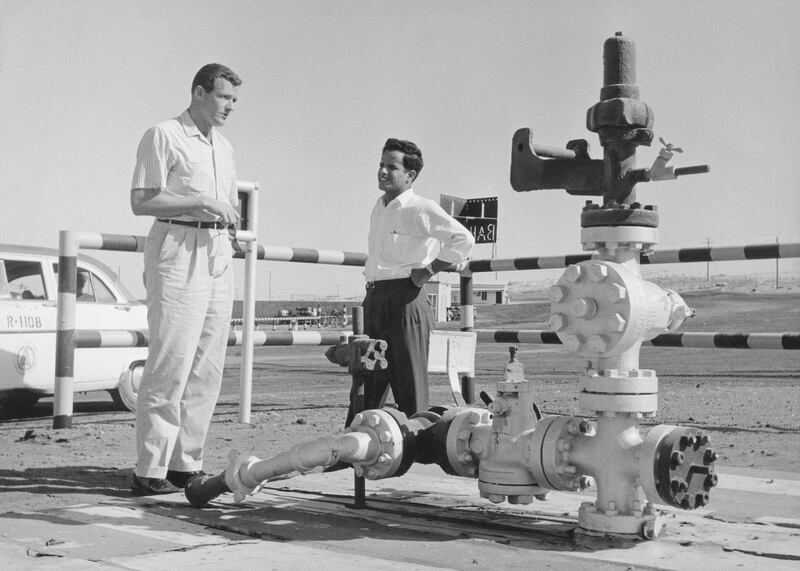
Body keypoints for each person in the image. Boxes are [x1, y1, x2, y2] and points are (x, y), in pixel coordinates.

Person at [128, 63, 242, 495]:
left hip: (217, 253)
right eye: (224, 97)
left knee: (207, 367)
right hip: (177, 246)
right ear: (199, 92)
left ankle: (185, 463)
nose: (230, 107)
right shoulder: (163, 135)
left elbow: (227, 204)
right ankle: (150, 469)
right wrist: (200, 201)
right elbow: (142, 200)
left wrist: (227, 226)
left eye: (234, 100)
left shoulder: (225, 147)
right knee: (171, 361)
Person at [345, 138, 475, 426]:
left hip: (406, 300)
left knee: (410, 387)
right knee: (365, 381)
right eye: (381, 164)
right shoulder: (379, 208)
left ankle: (417, 453)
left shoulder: (420, 208)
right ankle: (354, 451)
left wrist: (429, 270)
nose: (382, 171)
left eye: (391, 167)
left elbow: (463, 238)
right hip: (375, 300)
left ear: (410, 175)